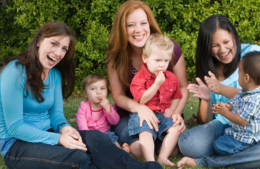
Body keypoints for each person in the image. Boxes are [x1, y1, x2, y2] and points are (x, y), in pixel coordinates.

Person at [0, 21, 162, 169]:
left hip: (49, 133)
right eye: (53, 43)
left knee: (96, 138)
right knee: (78, 158)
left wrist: (65, 129)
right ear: (38, 41)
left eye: (64, 48)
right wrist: (59, 139)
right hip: (16, 146)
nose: (58, 53)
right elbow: (15, 127)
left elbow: (57, 116)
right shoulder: (14, 72)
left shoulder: (54, 74)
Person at [177, 14, 260, 169]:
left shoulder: (253, 56)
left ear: (234, 37)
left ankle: (209, 162)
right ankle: (248, 157)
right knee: (188, 144)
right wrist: (207, 99)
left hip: (259, 130)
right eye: (215, 45)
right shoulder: (209, 69)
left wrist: (221, 90)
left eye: (226, 42)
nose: (223, 50)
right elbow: (206, 120)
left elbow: (258, 100)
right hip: (227, 128)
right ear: (207, 46)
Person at [105, 0, 188, 159]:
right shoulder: (116, 58)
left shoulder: (169, 49)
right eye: (130, 25)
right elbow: (117, 96)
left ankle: (161, 144)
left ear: (150, 25)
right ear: (122, 29)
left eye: (143, 23)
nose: (138, 30)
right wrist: (139, 108)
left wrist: (176, 114)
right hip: (132, 113)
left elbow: (182, 87)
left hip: (165, 111)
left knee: (173, 148)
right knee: (136, 149)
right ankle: (155, 145)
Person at [129, 34, 182, 166]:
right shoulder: (139, 78)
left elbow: (176, 95)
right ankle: (150, 162)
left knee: (176, 129)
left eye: (165, 61)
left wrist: (173, 110)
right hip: (145, 113)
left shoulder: (171, 77)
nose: (162, 65)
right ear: (145, 58)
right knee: (145, 132)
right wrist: (156, 85)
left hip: (163, 113)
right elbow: (141, 99)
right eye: (158, 60)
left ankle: (162, 157)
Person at [212, 52, 260, 156]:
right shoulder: (249, 90)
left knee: (218, 146)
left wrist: (225, 112)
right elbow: (237, 100)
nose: (238, 75)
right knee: (218, 131)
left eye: (239, 73)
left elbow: (242, 121)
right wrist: (228, 106)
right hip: (239, 130)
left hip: (247, 138)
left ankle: (246, 151)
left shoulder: (254, 100)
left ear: (246, 78)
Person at [76, 74, 130, 152]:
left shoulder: (108, 106)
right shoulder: (83, 107)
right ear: (85, 93)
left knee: (112, 138)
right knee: (84, 145)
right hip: (90, 135)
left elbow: (115, 121)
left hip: (105, 134)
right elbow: (82, 125)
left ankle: (120, 151)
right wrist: (88, 136)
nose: (98, 92)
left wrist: (108, 110)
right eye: (93, 89)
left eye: (102, 88)